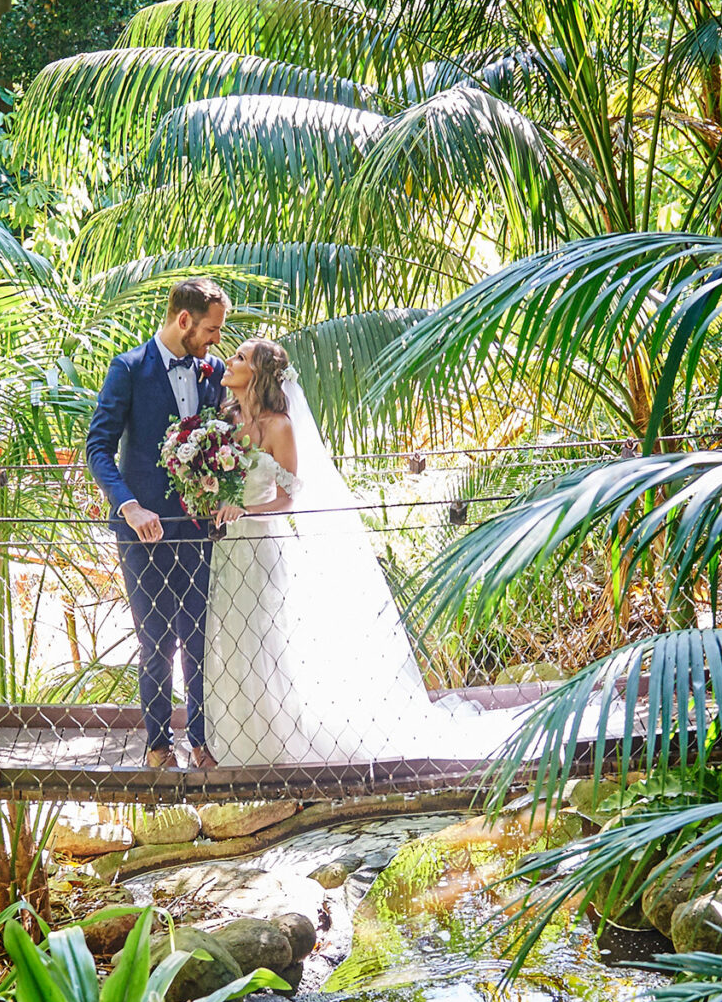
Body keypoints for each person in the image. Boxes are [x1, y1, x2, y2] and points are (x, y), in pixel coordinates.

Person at [204, 337, 527, 769]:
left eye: (240, 357)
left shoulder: (279, 425)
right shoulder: (223, 419)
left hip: (262, 546)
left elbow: (288, 498)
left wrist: (243, 509)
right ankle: (237, 740)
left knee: (267, 639)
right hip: (225, 552)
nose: (230, 360)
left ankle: (277, 742)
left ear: (258, 373)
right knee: (231, 639)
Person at [85, 278, 231, 769]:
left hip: (200, 530)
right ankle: (158, 746)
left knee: (200, 636)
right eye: (211, 330)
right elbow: (98, 448)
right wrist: (128, 505)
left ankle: (206, 741)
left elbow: (231, 442)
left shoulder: (213, 371)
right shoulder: (127, 369)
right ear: (183, 320)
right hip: (142, 531)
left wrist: (228, 495)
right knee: (156, 638)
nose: (216, 340)